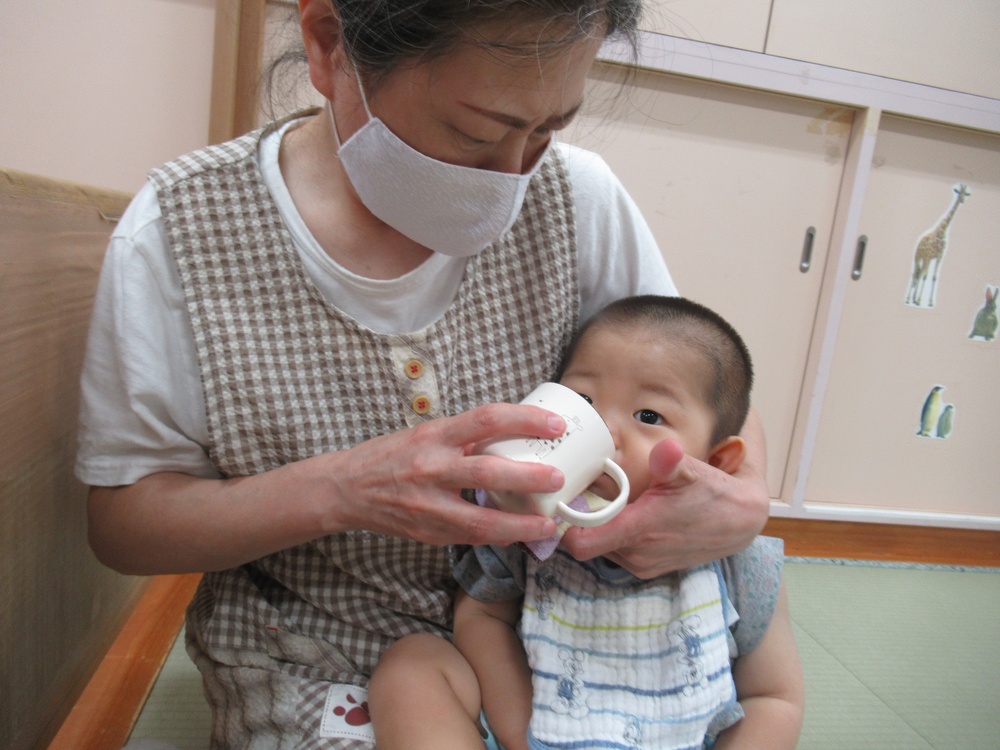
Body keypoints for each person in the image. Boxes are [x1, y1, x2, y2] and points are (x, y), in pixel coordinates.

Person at [76, 1, 771, 746]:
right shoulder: (183, 232)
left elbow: (701, 385)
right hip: (320, 653)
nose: (513, 176)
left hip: (561, 641)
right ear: (329, 42)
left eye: (547, 130)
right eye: (475, 132)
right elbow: (126, 527)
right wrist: (339, 490)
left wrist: (741, 499)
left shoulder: (581, 199)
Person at [368, 296, 804, 750]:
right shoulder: (531, 525)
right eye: (583, 401)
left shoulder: (734, 556)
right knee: (412, 665)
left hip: (681, 737)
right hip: (539, 728)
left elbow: (774, 697)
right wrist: (521, 734)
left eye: (649, 416)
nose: (603, 428)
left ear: (716, 462)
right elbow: (481, 618)